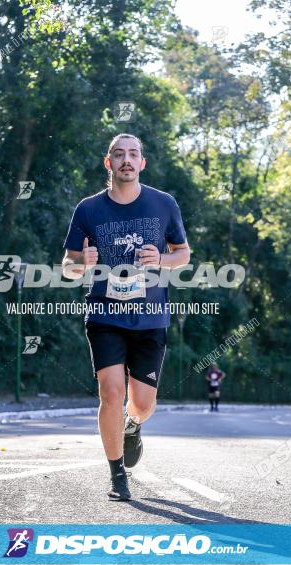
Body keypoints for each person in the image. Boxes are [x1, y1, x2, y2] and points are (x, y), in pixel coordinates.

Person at [62, 134, 190, 501]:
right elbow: (67, 265)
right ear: (109, 163)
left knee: (144, 403)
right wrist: (79, 264)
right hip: (104, 314)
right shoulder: (88, 209)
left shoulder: (163, 204)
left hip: (150, 317)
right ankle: (117, 474)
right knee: (111, 392)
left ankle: (132, 426)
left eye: (133, 154)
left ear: (142, 162)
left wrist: (161, 260)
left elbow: (183, 254)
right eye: (119, 155)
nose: (126, 161)